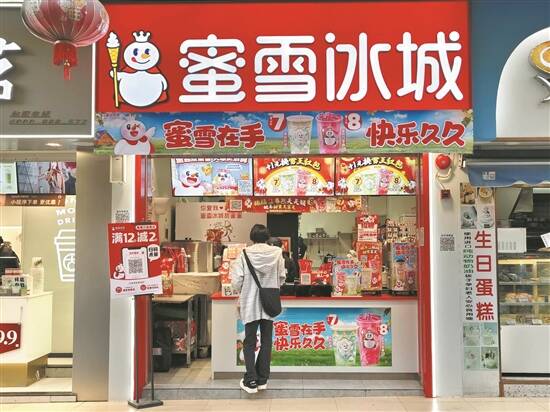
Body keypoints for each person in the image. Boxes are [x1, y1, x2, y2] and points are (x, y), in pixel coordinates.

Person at [231, 224, 285, 394]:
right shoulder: (277, 253)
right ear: (267, 237)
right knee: (266, 341)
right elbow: (282, 277)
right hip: (269, 303)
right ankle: (263, 380)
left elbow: (236, 281)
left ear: (252, 237)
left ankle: (251, 380)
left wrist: (244, 289)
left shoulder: (244, 254)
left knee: (249, 342)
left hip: (250, 303)